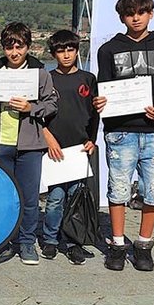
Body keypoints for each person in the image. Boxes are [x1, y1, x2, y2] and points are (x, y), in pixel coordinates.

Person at [94, 0, 154, 271]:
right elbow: (103, 88)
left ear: (150, 13)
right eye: (130, 13)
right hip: (120, 131)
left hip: (153, 130)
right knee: (118, 190)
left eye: (141, 12)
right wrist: (100, 100)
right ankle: (118, 244)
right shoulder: (109, 49)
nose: (136, 18)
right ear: (121, 17)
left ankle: (144, 244)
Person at [0, 23, 58, 265]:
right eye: (9, 47)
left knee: (29, 197)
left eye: (19, 47)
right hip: (0, 142)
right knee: (3, 195)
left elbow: (53, 104)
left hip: (29, 145)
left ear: (28, 47)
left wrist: (31, 108)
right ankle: (3, 240)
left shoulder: (41, 74)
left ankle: (26, 242)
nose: (14, 52)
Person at [41, 30, 99, 265]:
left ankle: (75, 242)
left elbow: (95, 113)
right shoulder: (48, 78)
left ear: (77, 50)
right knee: (55, 198)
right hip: (55, 148)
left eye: (70, 50)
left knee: (77, 196)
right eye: (60, 51)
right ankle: (50, 240)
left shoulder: (88, 78)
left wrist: (92, 139)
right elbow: (39, 115)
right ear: (53, 53)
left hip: (79, 149)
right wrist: (48, 139)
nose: (66, 55)